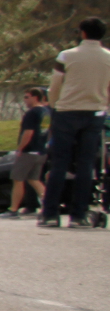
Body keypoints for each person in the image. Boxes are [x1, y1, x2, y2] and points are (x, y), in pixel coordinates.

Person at [38, 16, 110, 229]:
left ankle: (50, 214)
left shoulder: (66, 55)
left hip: (67, 111)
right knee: (86, 166)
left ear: (82, 33)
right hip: (94, 111)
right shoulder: (108, 57)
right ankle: (78, 215)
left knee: (59, 164)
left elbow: (55, 85)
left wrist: (54, 106)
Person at [1, 87, 51, 219]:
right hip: (41, 151)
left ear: (35, 97)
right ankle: (49, 206)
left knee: (17, 179)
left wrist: (20, 149)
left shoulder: (32, 113)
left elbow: (28, 133)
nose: (25, 100)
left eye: (27, 97)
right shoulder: (46, 112)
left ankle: (13, 210)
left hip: (29, 151)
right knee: (34, 179)